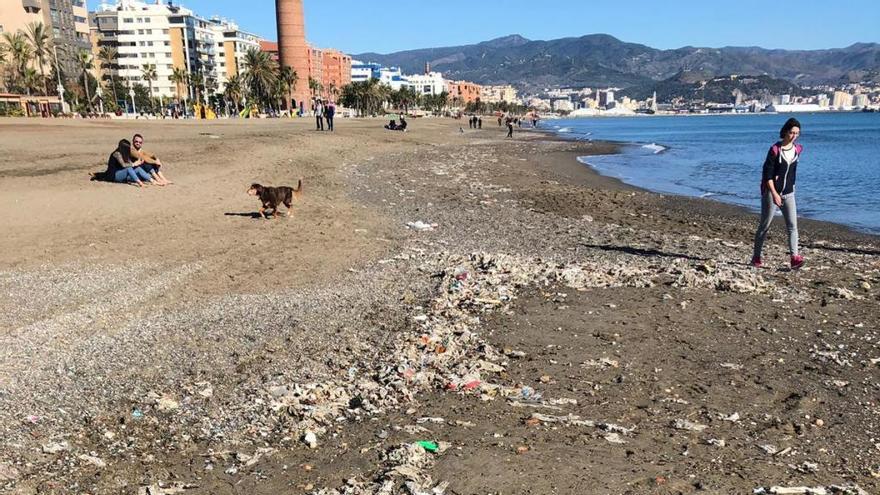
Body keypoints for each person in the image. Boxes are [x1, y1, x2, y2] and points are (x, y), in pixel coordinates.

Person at [752, 118, 804, 270]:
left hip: (789, 194)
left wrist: (791, 188)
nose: (794, 136)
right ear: (785, 132)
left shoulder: (798, 150)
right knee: (764, 225)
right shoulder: (775, 150)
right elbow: (767, 175)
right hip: (771, 193)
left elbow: (792, 172)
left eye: (797, 133)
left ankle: (794, 258)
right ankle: (756, 257)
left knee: (792, 226)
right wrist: (774, 193)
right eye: (792, 132)